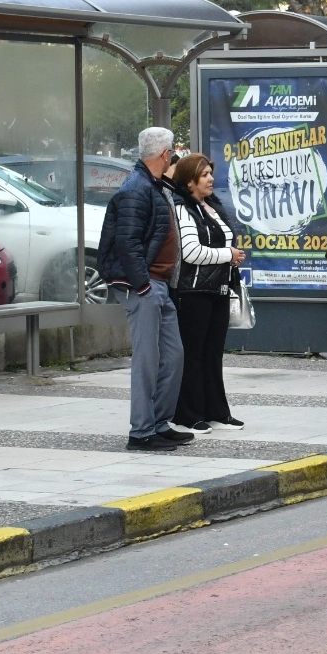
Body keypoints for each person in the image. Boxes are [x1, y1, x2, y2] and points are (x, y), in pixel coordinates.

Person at [97, 126, 190, 451]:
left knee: (174, 355)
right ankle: (141, 432)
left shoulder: (154, 185)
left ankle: (159, 422)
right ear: (164, 155)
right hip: (145, 285)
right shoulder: (137, 189)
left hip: (159, 284)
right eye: (172, 154)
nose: (173, 159)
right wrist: (142, 285)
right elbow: (126, 242)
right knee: (147, 359)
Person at [165, 153, 248, 435]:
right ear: (189, 181)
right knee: (194, 354)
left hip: (218, 289)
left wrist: (231, 257)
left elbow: (222, 241)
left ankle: (217, 411)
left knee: (213, 353)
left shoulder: (210, 206)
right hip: (194, 292)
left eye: (211, 173)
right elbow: (190, 252)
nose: (211, 179)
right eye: (204, 175)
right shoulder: (181, 208)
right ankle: (187, 415)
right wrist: (228, 254)